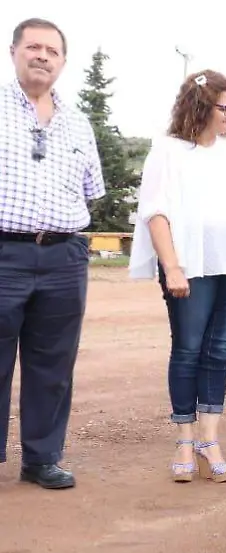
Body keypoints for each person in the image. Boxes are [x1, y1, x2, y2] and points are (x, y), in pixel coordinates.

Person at [128, 70, 226, 484]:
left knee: (220, 350)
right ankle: (184, 439)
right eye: (225, 107)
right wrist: (171, 266)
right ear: (201, 106)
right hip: (189, 268)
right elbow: (155, 211)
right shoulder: (167, 151)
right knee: (188, 349)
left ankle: (209, 439)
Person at [0, 18, 104, 489]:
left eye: (52, 51)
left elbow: (90, 189)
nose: (42, 56)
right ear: (14, 51)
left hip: (63, 257)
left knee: (53, 364)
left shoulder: (78, 122)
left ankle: (42, 458)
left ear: (62, 62)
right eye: (33, 47)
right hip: (5, 252)